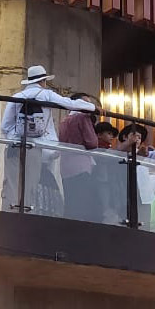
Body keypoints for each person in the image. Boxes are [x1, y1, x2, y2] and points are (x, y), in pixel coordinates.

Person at [0, 65, 95, 215]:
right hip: (37, 149)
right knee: (31, 186)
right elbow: (71, 104)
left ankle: (9, 215)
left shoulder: (17, 97)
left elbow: (5, 126)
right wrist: (92, 107)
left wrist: (17, 137)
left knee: (12, 184)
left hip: (14, 147)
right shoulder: (47, 95)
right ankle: (27, 216)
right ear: (43, 81)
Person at [58, 93, 101, 222]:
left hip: (65, 166)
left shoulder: (64, 121)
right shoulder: (82, 117)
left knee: (71, 204)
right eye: (86, 103)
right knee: (85, 205)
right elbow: (92, 142)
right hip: (81, 165)